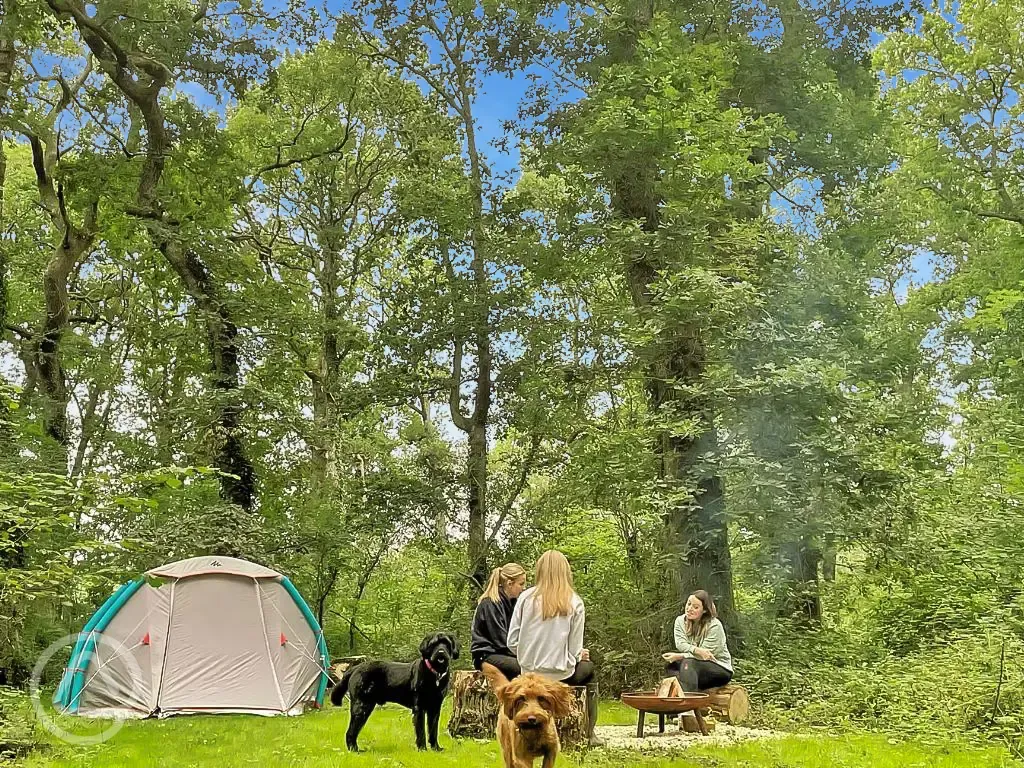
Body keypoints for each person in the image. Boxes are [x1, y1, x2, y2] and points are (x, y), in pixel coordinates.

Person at [507, 550, 604, 747]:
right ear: (565, 572)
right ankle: (590, 732)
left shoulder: (526, 598)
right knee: (589, 669)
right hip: (561, 675)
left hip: (530, 674)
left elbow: (512, 641)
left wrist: (528, 654)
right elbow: (575, 649)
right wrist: (575, 657)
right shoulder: (575, 601)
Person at [661, 589, 733, 691]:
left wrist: (681, 656)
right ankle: (674, 697)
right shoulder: (680, 621)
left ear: (704, 610)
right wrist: (697, 650)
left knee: (687, 663)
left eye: (695, 607)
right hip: (694, 666)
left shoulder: (714, 625)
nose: (690, 609)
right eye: (689, 604)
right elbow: (680, 644)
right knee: (672, 666)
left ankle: (688, 701)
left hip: (718, 667)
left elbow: (706, 656)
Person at [471, 563, 527, 680]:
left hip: (502, 653)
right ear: (510, 584)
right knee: (526, 668)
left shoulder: (512, 604)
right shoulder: (490, 604)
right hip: (487, 655)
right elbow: (501, 641)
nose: (524, 588)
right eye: (521, 584)